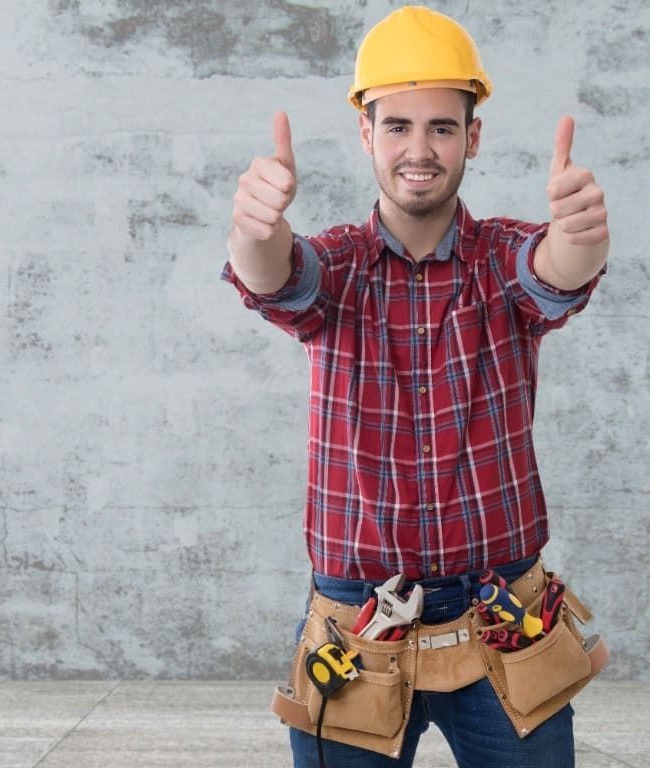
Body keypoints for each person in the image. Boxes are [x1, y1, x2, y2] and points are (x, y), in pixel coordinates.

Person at [221, 6, 609, 768]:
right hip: (359, 622)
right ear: (367, 134)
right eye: (397, 125)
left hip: (506, 617)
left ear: (473, 136)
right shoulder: (335, 266)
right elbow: (276, 277)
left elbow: (555, 271)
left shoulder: (503, 260)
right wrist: (254, 230)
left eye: (441, 126)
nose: (419, 149)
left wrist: (581, 239)